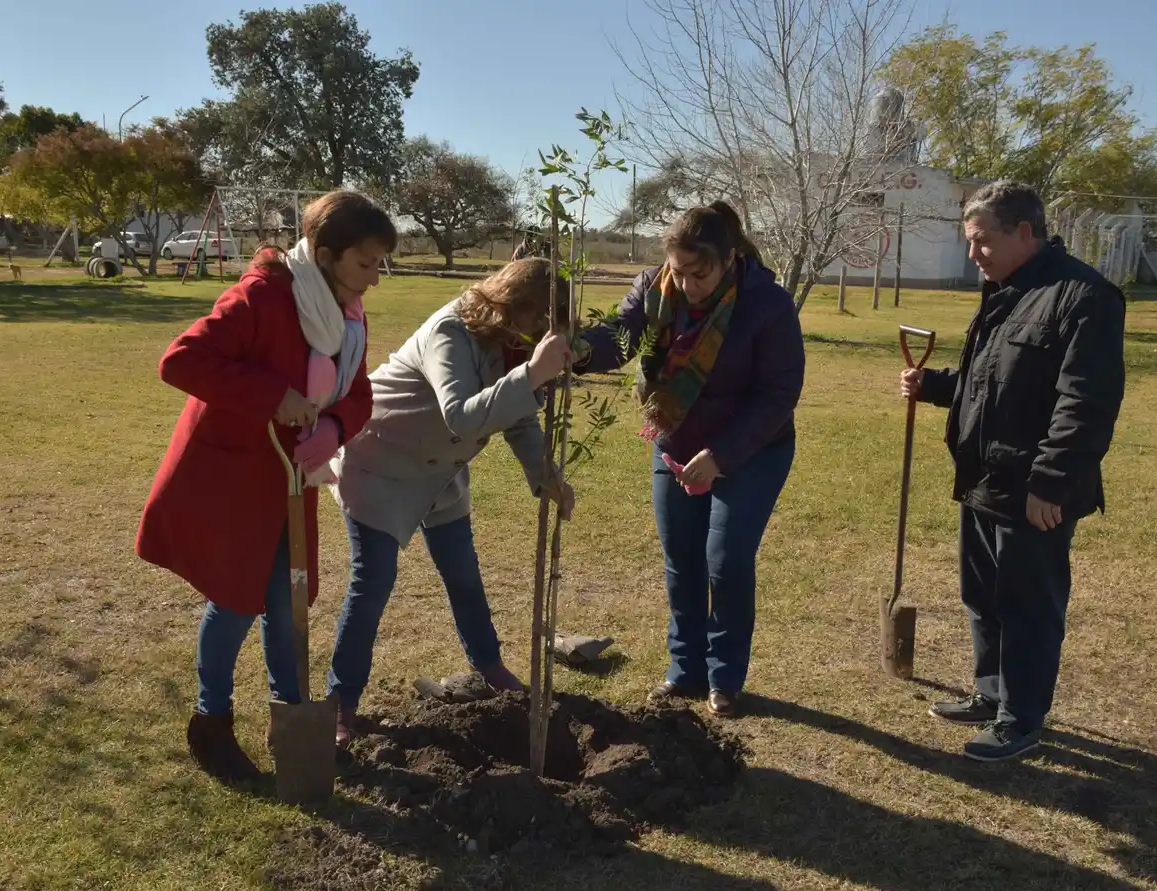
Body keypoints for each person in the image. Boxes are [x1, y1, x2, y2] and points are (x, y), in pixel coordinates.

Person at [136, 191, 398, 782]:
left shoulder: (348, 316)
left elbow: (358, 394)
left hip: (293, 481)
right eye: (365, 263)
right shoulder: (261, 297)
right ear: (325, 256)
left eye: (380, 264)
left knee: (287, 603)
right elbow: (181, 360)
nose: (375, 278)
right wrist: (273, 397)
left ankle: (292, 719)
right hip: (233, 480)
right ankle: (211, 722)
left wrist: (332, 426)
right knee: (235, 601)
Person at [899, 180, 1125, 762]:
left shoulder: (1084, 296)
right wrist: (936, 386)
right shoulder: (1006, 290)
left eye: (982, 241)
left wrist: (1051, 482)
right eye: (969, 242)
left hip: (1034, 489)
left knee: (1029, 606)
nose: (973, 253)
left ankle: (1021, 720)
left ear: (1025, 232)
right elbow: (991, 377)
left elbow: (1085, 403)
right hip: (984, 477)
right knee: (982, 595)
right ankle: (992, 693)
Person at [326, 257, 577, 745]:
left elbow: (518, 417)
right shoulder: (450, 331)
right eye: (540, 321)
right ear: (514, 306)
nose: (541, 334)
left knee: (463, 574)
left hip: (438, 473)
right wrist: (532, 374)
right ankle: (340, 705)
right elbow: (461, 415)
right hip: (380, 463)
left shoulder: (510, 344)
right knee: (373, 582)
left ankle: (490, 667)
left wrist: (547, 476)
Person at [575, 201, 805, 717]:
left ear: (728, 260)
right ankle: (685, 671)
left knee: (725, 561)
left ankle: (724, 678)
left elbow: (777, 395)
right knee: (682, 558)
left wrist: (721, 456)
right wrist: (580, 350)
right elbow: (621, 336)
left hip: (752, 451)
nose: (686, 285)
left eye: (699, 275)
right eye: (678, 272)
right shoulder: (656, 287)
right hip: (676, 441)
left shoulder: (766, 304)